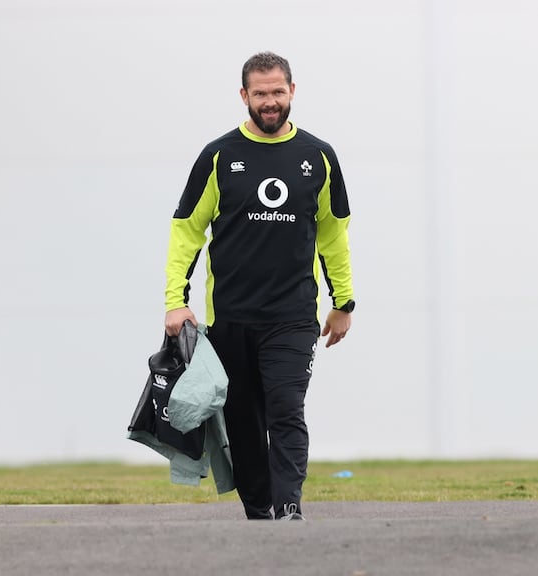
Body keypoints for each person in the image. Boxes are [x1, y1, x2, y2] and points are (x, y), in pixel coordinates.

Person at [162, 51, 356, 521]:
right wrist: (175, 302)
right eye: (261, 93)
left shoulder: (318, 157)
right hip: (231, 318)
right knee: (244, 423)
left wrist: (343, 301)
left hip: (292, 317)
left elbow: (334, 232)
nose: (270, 102)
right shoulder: (219, 156)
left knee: (287, 409)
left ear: (293, 91)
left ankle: (289, 507)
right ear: (244, 95)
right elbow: (187, 229)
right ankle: (259, 512)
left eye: (278, 92)